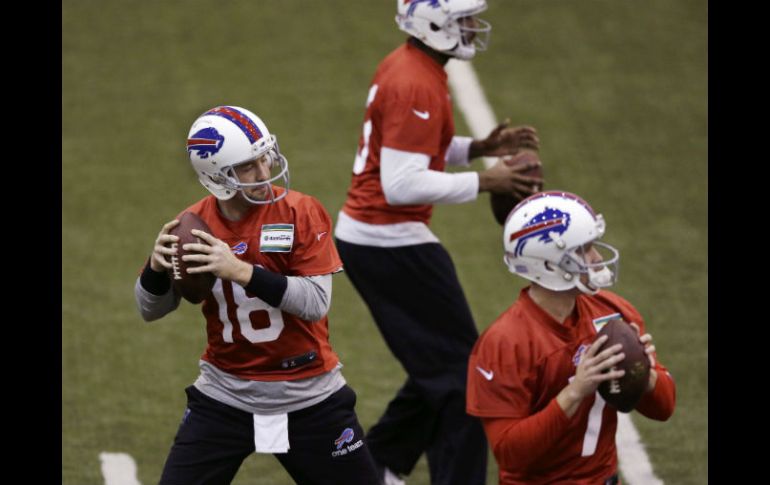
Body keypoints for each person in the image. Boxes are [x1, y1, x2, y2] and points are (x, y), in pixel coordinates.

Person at [334, 1, 543, 483]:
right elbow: (401, 183)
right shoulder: (416, 80)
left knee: (444, 366)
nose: (472, 27)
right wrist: (483, 181)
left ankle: (377, 465)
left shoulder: (411, 66)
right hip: (386, 239)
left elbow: (414, 141)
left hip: (381, 239)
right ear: (434, 23)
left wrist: (477, 148)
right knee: (465, 377)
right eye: (464, 19)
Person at [134, 106, 380, 485]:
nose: (264, 172)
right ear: (217, 177)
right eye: (247, 166)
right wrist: (156, 268)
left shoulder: (301, 211)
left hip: (309, 394)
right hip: (225, 395)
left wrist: (239, 271)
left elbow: (315, 302)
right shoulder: (193, 227)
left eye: (264, 156)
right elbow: (151, 310)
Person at [466, 190, 676, 484]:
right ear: (550, 264)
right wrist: (575, 391)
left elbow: (664, 408)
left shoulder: (613, 312)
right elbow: (510, 454)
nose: (597, 257)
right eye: (585, 249)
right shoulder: (505, 342)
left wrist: (646, 374)